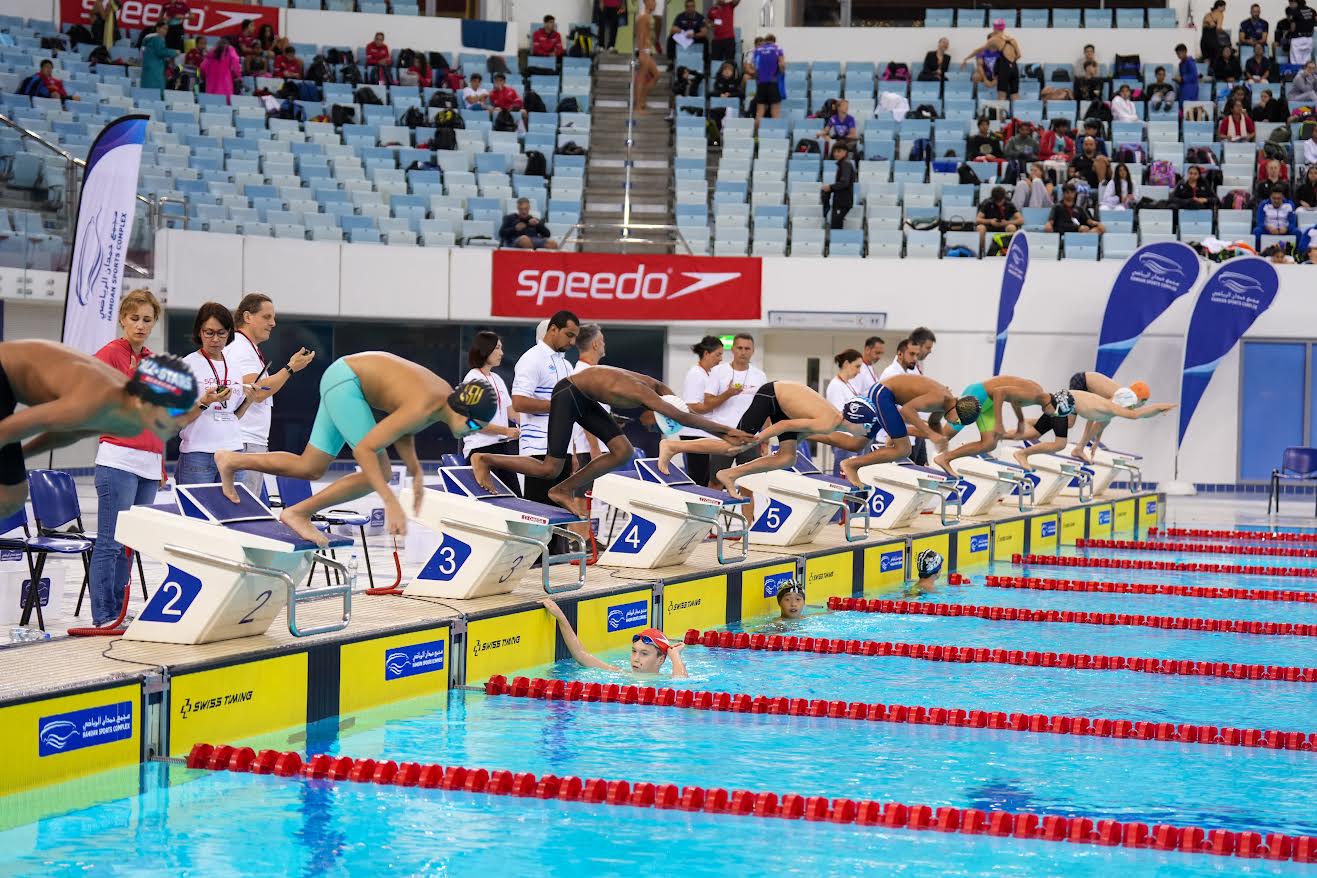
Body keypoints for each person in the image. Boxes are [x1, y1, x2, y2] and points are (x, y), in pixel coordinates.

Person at [216, 353, 493, 546]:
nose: (472, 432)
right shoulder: (427, 404)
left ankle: (232, 460)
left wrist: (416, 472)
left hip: (342, 376)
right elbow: (365, 451)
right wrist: (391, 502)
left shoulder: (441, 401)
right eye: (472, 424)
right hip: (348, 383)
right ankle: (298, 513)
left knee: (310, 466)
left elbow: (404, 431)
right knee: (380, 472)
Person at [475, 365, 752, 515]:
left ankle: (562, 490)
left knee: (622, 451)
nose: (649, 424)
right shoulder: (643, 394)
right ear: (656, 411)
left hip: (585, 397)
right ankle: (485, 459)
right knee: (550, 468)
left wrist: (682, 409)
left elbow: (673, 402)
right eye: (656, 422)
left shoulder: (655, 386)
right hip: (568, 394)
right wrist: (725, 431)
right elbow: (682, 416)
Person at [227, 293, 315, 498]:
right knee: (244, 509)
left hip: (248, 441)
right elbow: (257, 391)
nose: (273, 323)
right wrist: (290, 368)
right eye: (266, 317)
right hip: (245, 442)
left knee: (245, 507)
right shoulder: (240, 348)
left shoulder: (247, 348)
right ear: (247, 317)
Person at [832, 374, 982, 485]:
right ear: (956, 408)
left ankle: (818, 434)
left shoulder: (946, 403)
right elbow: (907, 411)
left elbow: (934, 423)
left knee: (856, 444)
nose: (956, 423)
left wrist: (942, 444)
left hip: (884, 396)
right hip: (883, 394)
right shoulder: (940, 398)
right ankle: (852, 465)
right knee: (903, 449)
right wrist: (932, 435)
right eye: (959, 420)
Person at [931, 378, 1072, 475]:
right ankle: (923, 457)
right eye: (1055, 413)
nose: (1052, 416)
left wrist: (1020, 421)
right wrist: (999, 423)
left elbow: (1015, 400)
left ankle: (944, 458)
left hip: (988, 403)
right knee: (944, 436)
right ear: (1053, 405)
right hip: (978, 395)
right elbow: (999, 392)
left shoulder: (1037, 395)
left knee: (989, 444)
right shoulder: (1033, 394)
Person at [176, 302, 249, 485]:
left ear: (229, 332)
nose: (215, 339)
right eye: (209, 332)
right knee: (196, 505)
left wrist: (250, 399)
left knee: (234, 504)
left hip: (233, 451)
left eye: (221, 333)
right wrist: (205, 402)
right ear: (199, 332)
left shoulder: (234, 366)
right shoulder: (187, 366)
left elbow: (232, 415)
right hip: (198, 453)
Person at [1017, 389, 1174, 469]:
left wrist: (1094, 443)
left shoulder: (1108, 413)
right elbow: (1135, 415)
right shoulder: (1110, 407)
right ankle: (1022, 454)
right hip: (1064, 401)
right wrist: (1159, 407)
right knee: (1059, 444)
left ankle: (1028, 424)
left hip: (1066, 400)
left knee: (1055, 428)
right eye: (1130, 406)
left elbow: (1096, 422)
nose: (1130, 409)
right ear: (1123, 404)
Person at [543, 599, 689, 678]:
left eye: (644, 653)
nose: (636, 658)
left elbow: (681, 683)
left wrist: (675, 656)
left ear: (660, 659)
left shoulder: (665, 681)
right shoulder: (622, 674)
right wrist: (561, 618)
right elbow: (581, 655)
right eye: (634, 651)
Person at [703, 333, 768, 480]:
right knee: (716, 482)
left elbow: (765, 410)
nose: (743, 352)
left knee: (749, 483)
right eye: (739, 348)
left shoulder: (760, 376)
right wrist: (728, 394)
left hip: (750, 437)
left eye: (747, 348)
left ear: (753, 351)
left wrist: (765, 440)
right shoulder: (718, 372)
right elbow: (707, 403)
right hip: (722, 436)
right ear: (732, 349)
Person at [460, 331, 519, 481]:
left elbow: (512, 414)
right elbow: (472, 423)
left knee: (512, 494)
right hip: (480, 450)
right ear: (485, 350)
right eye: (497, 348)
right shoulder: (472, 379)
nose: (502, 353)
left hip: (501, 448)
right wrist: (506, 431)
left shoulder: (497, 379)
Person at [677, 335, 725, 487]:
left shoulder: (708, 374)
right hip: (694, 433)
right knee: (699, 480)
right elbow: (693, 407)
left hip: (705, 432)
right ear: (706, 354)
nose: (720, 359)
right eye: (718, 354)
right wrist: (724, 397)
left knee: (707, 478)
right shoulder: (695, 374)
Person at [1065, 373, 1151, 458]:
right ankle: (1077, 448)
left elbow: (1102, 418)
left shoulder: (1124, 397)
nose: (1143, 405)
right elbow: (1093, 418)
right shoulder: (1123, 398)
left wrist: (1096, 440)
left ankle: (1079, 448)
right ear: (1138, 398)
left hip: (1084, 382)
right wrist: (1083, 443)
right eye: (1143, 401)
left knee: (1103, 419)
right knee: (1070, 423)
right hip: (1080, 381)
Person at [567, 324, 610, 472]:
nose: (604, 344)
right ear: (595, 344)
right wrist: (595, 450)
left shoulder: (587, 372)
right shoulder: (584, 375)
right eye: (602, 340)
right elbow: (585, 415)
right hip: (591, 451)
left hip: (594, 447)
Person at [825, 349, 865, 476]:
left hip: (855, 437)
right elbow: (839, 415)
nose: (859, 371)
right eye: (857, 366)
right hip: (844, 439)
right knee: (843, 480)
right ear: (847, 364)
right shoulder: (836, 385)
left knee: (855, 478)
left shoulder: (850, 385)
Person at [751, 32, 785, 129]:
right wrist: (781, 73)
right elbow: (782, 65)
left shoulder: (757, 50)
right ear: (774, 41)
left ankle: (756, 134)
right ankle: (774, 133)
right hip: (773, 82)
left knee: (760, 112)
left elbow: (755, 68)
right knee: (775, 112)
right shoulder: (778, 49)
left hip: (761, 83)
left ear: (765, 41)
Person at [975, 185, 1022, 253]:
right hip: (990, 225)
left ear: (1004, 198)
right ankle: (982, 251)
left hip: (1004, 225)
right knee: (980, 228)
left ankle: (1009, 251)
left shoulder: (1009, 204)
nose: (998, 203)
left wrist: (1006, 222)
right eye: (996, 201)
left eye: (1000, 201)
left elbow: (1020, 220)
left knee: (1011, 227)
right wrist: (990, 221)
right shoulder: (987, 203)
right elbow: (978, 219)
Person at [633, 0, 661, 115]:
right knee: (642, 78)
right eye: (652, 1)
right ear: (646, 2)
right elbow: (640, 36)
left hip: (646, 50)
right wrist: (641, 52)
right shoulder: (643, 17)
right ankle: (638, 105)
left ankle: (642, 101)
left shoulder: (648, 16)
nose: (655, 3)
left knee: (656, 75)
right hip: (643, 50)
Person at [822, 141, 856, 229]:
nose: (836, 154)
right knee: (836, 226)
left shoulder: (845, 164)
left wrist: (830, 187)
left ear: (845, 152)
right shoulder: (842, 164)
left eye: (839, 151)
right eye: (834, 151)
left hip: (842, 203)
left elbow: (844, 183)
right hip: (840, 202)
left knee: (836, 227)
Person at [139, 21, 176, 92]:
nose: (165, 31)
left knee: (146, 91)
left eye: (166, 29)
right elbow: (161, 52)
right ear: (157, 28)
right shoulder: (157, 38)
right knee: (154, 91)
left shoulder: (150, 38)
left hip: (149, 67)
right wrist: (174, 52)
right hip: (154, 68)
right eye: (163, 28)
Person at [1202, 1, 1228, 65]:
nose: (1224, 9)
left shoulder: (1207, 15)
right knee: (1215, 62)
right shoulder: (1220, 14)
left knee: (1207, 63)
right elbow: (1218, 28)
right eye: (1224, 7)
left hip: (1203, 41)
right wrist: (1225, 33)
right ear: (1219, 7)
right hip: (1212, 42)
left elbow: (1204, 28)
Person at [1290, 0, 1316, 65]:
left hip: (1297, 39)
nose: (1290, 5)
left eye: (1291, 3)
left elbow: (1293, 28)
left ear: (1295, 2)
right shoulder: (1312, 11)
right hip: (1309, 39)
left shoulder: (1295, 12)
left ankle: (1298, 72)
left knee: (1296, 62)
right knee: (1307, 62)